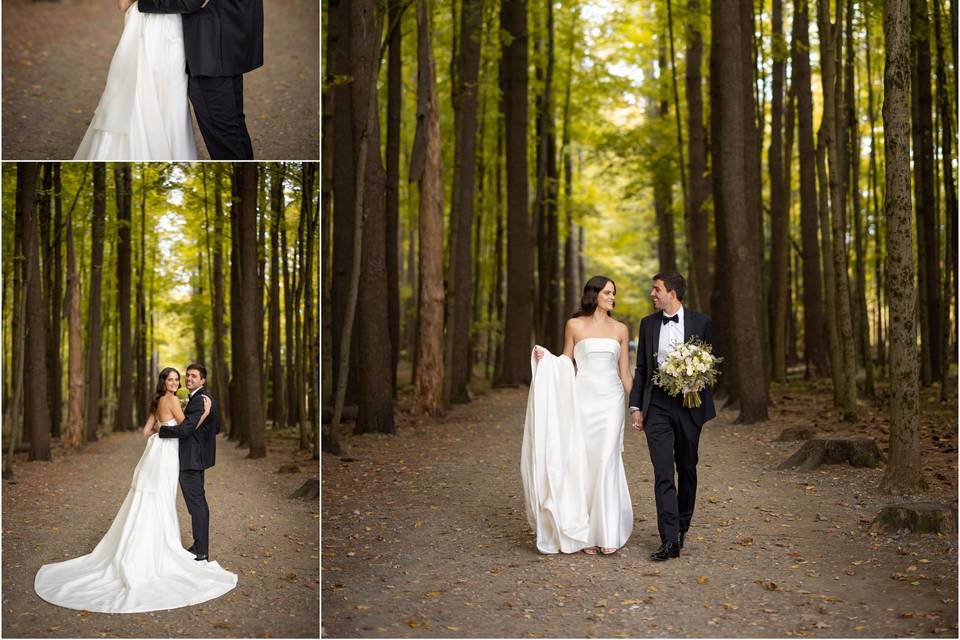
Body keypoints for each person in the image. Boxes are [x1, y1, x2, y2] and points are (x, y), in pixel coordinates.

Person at [34, 366, 236, 613]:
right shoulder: (174, 400)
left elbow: (145, 431)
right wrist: (201, 416)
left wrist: (169, 427)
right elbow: (186, 429)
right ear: (165, 382)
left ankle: (189, 547)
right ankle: (170, 547)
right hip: (169, 455)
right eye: (173, 379)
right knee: (163, 499)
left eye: (179, 378)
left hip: (159, 454)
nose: (178, 381)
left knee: (156, 498)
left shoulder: (161, 401)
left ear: (201, 379)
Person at [521, 276, 634, 555]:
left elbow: (624, 372)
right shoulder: (574, 325)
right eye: (608, 292)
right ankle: (585, 533)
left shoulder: (620, 329)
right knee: (584, 463)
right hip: (582, 399)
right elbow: (564, 364)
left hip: (611, 400)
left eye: (614, 293)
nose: (612, 297)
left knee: (606, 459)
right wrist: (545, 361)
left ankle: (607, 531)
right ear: (593, 294)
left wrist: (638, 405)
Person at [628, 270, 716, 561]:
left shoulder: (701, 323)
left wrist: (696, 380)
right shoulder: (648, 325)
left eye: (656, 289)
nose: (652, 294)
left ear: (672, 292)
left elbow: (711, 365)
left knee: (687, 469)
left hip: (690, 406)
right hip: (658, 408)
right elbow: (641, 368)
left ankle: (682, 525)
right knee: (663, 472)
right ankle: (669, 539)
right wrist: (637, 407)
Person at [131, 0, 264, 159]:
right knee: (233, 127)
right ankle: (244, 177)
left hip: (212, 47)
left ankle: (240, 180)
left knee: (226, 135)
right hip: (228, 35)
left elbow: (191, 1)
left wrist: (142, 3)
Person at [73, 0, 207, 159]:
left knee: (141, 91)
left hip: (152, 29)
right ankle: (170, 154)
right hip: (168, 29)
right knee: (169, 97)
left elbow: (123, 5)